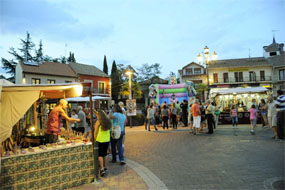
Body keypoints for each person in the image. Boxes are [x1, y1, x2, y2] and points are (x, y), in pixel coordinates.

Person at [94, 109, 112, 177]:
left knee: (100, 155)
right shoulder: (107, 120)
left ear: (99, 115)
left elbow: (96, 132)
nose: (96, 116)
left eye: (97, 115)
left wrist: (94, 139)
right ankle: (105, 167)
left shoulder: (98, 122)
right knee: (105, 154)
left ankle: (101, 169)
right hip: (107, 139)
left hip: (100, 139)